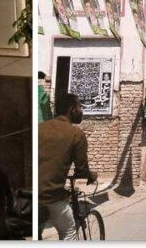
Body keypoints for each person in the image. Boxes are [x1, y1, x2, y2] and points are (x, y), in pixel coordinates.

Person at [38, 93, 97, 240]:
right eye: (80, 107)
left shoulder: (39, 128)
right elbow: (82, 169)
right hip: (51, 196)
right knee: (69, 232)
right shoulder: (76, 134)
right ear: (72, 109)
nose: (82, 110)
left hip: (32, 196)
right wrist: (91, 175)